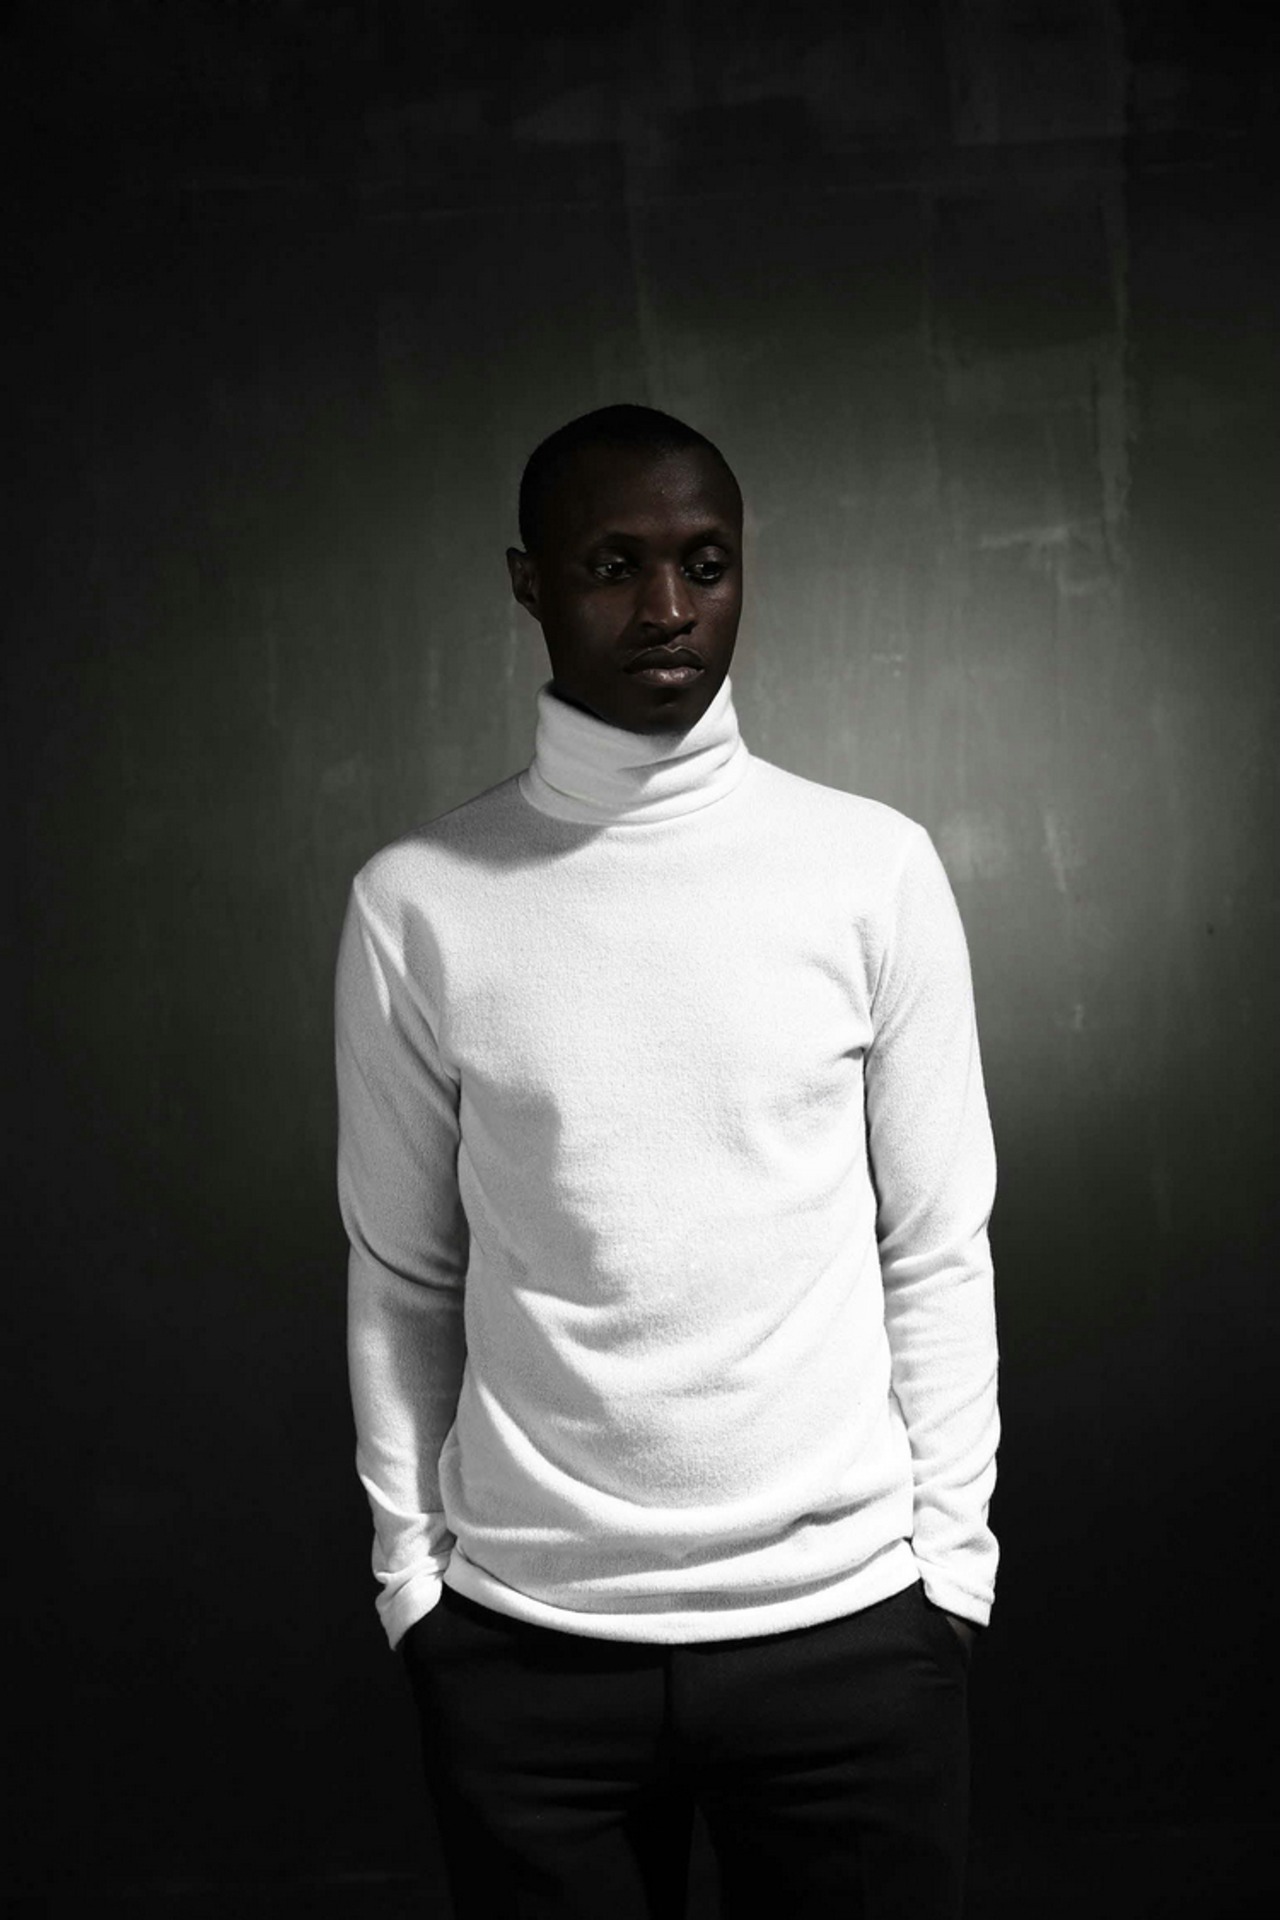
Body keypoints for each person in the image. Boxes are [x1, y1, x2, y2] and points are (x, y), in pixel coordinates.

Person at [334, 402, 1000, 1919]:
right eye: (612, 565)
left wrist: (949, 1573)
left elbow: (937, 1244)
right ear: (529, 583)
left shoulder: (871, 870)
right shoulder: (416, 903)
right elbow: (400, 1275)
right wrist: (413, 1584)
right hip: (526, 1649)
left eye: (705, 564)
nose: (667, 609)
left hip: (850, 1635)